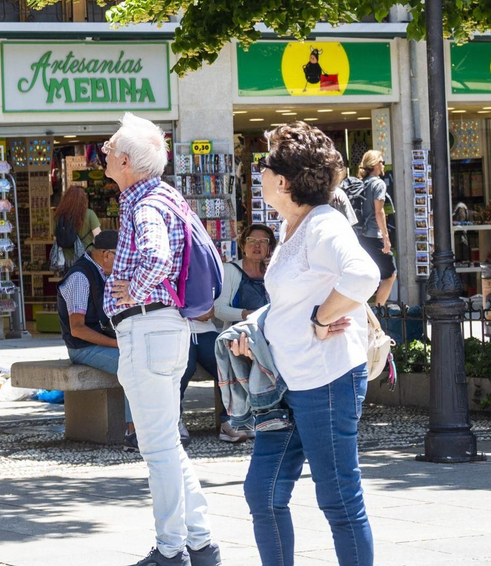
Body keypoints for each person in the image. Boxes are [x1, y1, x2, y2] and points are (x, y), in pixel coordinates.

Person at [234, 124, 381, 566]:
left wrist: (322, 317)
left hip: (328, 380)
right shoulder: (293, 224)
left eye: (263, 166)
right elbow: (291, 297)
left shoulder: (324, 225)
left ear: (283, 182)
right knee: (263, 491)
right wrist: (257, 328)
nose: (257, 172)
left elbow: (365, 276)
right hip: (287, 381)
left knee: (338, 499)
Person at [101, 113, 218, 566]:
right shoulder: (163, 195)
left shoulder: (143, 204)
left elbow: (156, 255)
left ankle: (172, 550)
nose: (105, 151)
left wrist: (135, 286)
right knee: (168, 443)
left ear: (126, 160)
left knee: (157, 448)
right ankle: (200, 543)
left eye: (111, 146)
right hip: (167, 330)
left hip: (146, 328)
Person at [191, 222, 276, 444]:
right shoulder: (231, 270)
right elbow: (219, 309)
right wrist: (248, 314)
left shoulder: (273, 273)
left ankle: (269, 416)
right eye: (252, 241)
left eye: (263, 242)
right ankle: (231, 422)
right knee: (236, 357)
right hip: (239, 334)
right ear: (243, 245)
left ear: (269, 248)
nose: (257, 246)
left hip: (269, 335)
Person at [56, 229, 136, 450]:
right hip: (83, 348)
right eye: (122, 257)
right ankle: (133, 432)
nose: (124, 263)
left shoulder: (105, 273)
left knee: (145, 358)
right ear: (108, 255)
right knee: (132, 365)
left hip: (107, 340)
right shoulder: (80, 277)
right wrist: (117, 344)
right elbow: (78, 329)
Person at [350, 151, 396, 305]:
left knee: (368, 275)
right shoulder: (378, 184)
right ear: (376, 164)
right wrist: (386, 237)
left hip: (359, 236)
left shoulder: (360, 183)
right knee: (390, 274)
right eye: (382, 162)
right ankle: (378, 312)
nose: (383, 165)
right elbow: (379, 212)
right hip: (373, 235)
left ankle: (365, 312)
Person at [53, 184, 101, 264]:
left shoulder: (59, 216)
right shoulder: (89, 214)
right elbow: (99, 238)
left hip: (66, 261)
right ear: (83, 200)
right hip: (86, 260)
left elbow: (55, 239)